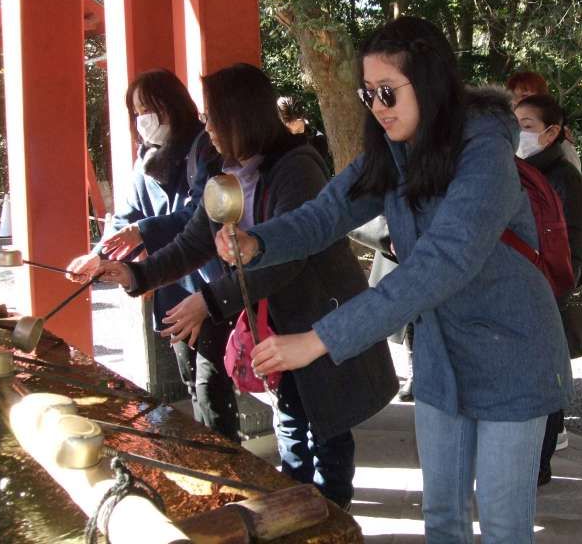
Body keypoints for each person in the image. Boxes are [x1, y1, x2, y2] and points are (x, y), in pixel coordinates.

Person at [219, 17, 573, 543]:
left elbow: (442, 262)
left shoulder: (485, 152)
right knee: (442, 518)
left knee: (502, 526)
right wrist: (258, 242)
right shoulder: (390, 152)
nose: (378, 107)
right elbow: (324, 214)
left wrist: (320, 339)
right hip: (442, 357)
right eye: (369, 94)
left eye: (388, 91)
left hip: (511, 354)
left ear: (428, 82)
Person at [95, 63, 398, 510]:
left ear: (240, 116)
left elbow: (288, 260)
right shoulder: (226, 171)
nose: (207, 126)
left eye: (213, 117)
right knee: (292, 422)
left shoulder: (297, 169)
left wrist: (209, 300)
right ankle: (296, 509)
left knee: (327, 428)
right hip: (275, 321)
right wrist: (137, 275)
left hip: (318, 316)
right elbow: (194, 239)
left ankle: (331, 518)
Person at [66, 68, 239, 441]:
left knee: (213, 389)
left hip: (208, 285)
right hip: (170, 287)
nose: (142, 118)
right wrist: (98, 257)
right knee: (192, 383)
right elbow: (125, 221)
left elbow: (198, 216)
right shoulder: (145, 160)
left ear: (172, 105)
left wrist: (143, 231)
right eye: (136, 110)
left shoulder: (205, 147)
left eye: (149, 108)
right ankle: (216, 465)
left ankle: (231, 469)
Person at [514, 94, 582, 486]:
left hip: (545, 304)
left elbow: (570, 257)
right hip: (520, 303)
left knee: (543, 390)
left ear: (552, 133)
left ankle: (537, 467)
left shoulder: (564, 179)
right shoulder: (517, 172)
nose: (518, 134)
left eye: (526, 126)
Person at [348, 216, 415, 401]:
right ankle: (415, 372)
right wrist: (390, 235)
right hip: (397, 251)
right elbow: (354, 211)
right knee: (411, 320)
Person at [506, 70, 582, 174]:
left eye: (524, 96)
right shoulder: (507, 137)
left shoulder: (561, 142)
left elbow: (574, 181)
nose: (517, 102)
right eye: (513, 97)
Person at [276, 95, 335, 176]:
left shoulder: (318, 140)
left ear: (303, 120)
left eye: (299, 131)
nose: (297, 139)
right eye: (290, 133)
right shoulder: (275, 147)